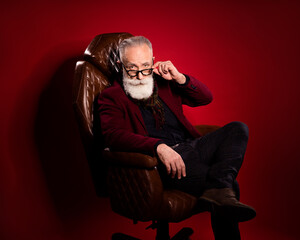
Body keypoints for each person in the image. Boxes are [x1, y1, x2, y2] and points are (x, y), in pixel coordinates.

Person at [98, 36, 256, 239]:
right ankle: (220, 188)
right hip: (164, 163)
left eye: (146, 67)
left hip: (192, 146)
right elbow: (113, 136)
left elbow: (205, 97)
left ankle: (218, 187)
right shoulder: (112, 95)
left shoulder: (164, 82)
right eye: (132, 68)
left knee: (237, 128)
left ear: (153, 60)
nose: (139, 75)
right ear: (121, 65)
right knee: (230, 187)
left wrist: (180, 77)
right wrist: (159, 147)